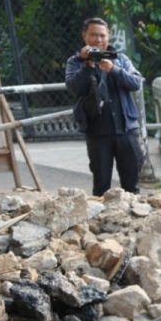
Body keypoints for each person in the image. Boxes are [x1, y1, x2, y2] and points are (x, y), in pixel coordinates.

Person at [64, 17, 145, 196]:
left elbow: (136, 83)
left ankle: (134, 220)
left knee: (132, 186)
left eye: (102, 35)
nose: (98, 40)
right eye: (93, 35)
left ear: (108, 37)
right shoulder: (75, 62)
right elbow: (74, 88)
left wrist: (113, 70)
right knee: (101, 187)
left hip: (126, 130)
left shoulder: (120, 59)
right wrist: (88, 66)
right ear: (84, 36)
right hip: (97, 132)